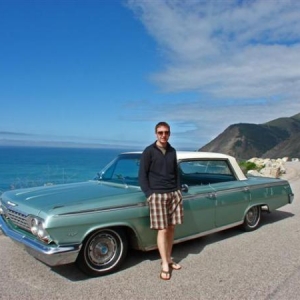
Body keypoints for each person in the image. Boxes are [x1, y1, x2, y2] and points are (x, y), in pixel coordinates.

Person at [138, 121, 183, 280]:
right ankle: (164, 263)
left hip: (173, 193)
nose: (163, 135)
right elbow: (142, 175)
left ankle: (169, 258)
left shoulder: (172, 151)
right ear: (156, 133)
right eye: (160, 132)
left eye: (166, 132)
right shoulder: (149, 151)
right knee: (162, 229)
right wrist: (149, 194)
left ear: (169, 133)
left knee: (171, 228)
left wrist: (178, 189)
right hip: (157, 194)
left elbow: (176, 172)